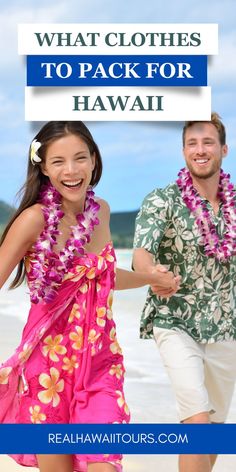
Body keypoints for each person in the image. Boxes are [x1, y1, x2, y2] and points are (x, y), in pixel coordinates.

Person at [0, 121, 178, 472]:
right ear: (44, 167)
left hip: (100, 365)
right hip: (46, 371)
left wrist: (149, 279)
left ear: (94, 161)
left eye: (81, 158)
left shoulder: (103, 212)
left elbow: (104, 276)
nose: (71, 170)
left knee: (104, 465)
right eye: (59, 162)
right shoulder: (34, 220)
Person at [133, 112, 236, 472]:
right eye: (192, 143)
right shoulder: (163, 200)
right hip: (175, 320)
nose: (200, 149)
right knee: (195, 421)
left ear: (223, 149)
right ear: (183, 152)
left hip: (227, 328)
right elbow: (141, 255)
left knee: (214, 430)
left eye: (208, 142)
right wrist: (152, 274)